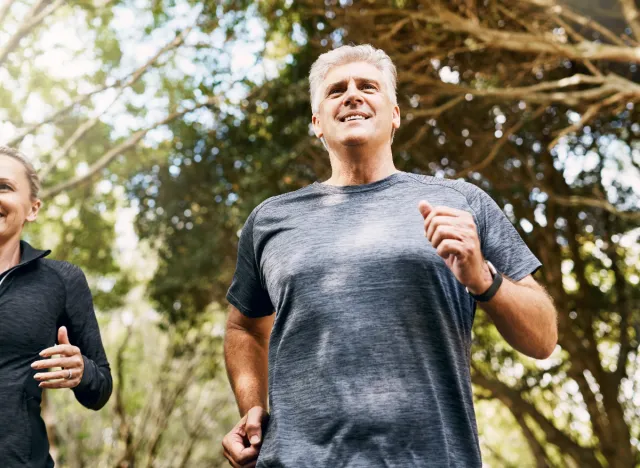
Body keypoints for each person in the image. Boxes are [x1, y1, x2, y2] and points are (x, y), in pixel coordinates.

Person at [222, 45, 557, 468]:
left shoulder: (461, 202)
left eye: (368, 86)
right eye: (336, 90)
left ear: (395, 115)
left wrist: (482, 278)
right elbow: (245, 328)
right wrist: (251, 406)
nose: (352, 95)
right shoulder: (270, 219)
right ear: (317, 123)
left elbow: (544, 338)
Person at [0, 146, 112, 467]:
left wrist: (81, 371)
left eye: (4, 186)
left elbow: (101, 388)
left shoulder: (62, 280)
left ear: (33, 209)